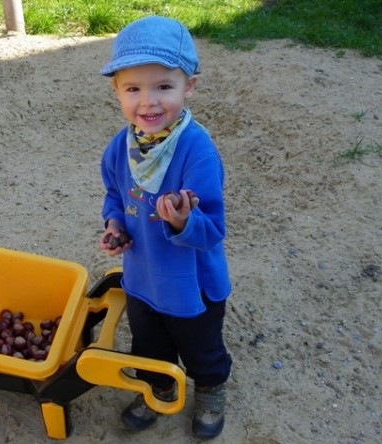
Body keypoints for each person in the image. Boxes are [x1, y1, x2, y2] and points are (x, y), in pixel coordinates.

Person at [97, 16, 233, 440]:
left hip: (190, 284)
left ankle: (210, 387)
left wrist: (182, 220)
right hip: (142, 276)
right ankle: (157, 385)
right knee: (148, 343)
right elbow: (115, 195)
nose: (148, 103)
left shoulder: (197, 151)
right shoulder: (121, 146)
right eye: (133, 88)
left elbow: (212, 229)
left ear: (188, 86)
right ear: (117, 91)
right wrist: (115, 224)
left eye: (163, 87)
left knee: (201, 347)